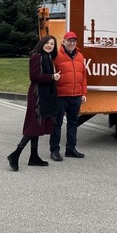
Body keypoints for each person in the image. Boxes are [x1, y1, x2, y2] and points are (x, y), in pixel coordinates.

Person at [7, 35, 60, 171]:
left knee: (38, 126)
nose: (49, 46)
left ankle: (34, 156)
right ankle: (15, 154)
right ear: (42, 43)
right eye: (47, 43)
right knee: (34, 125)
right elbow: (34, 76)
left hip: (44, 96)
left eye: (52, 44)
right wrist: (52, 77)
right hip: (37, 96)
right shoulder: (37, 56)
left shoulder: (47, 58)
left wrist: (53, 78)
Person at [50, 31, 88, 161]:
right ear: (63, 42)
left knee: (73, 123)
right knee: (57, 124)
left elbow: (83, 76)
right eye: (69, 41)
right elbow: (50, 74)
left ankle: (71, 149)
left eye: (74, 41)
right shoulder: (56, 56)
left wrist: (83, 93)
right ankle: (54, 150)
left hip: (76, 95)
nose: (72, 43)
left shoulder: (80, 56)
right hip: (60, 96)